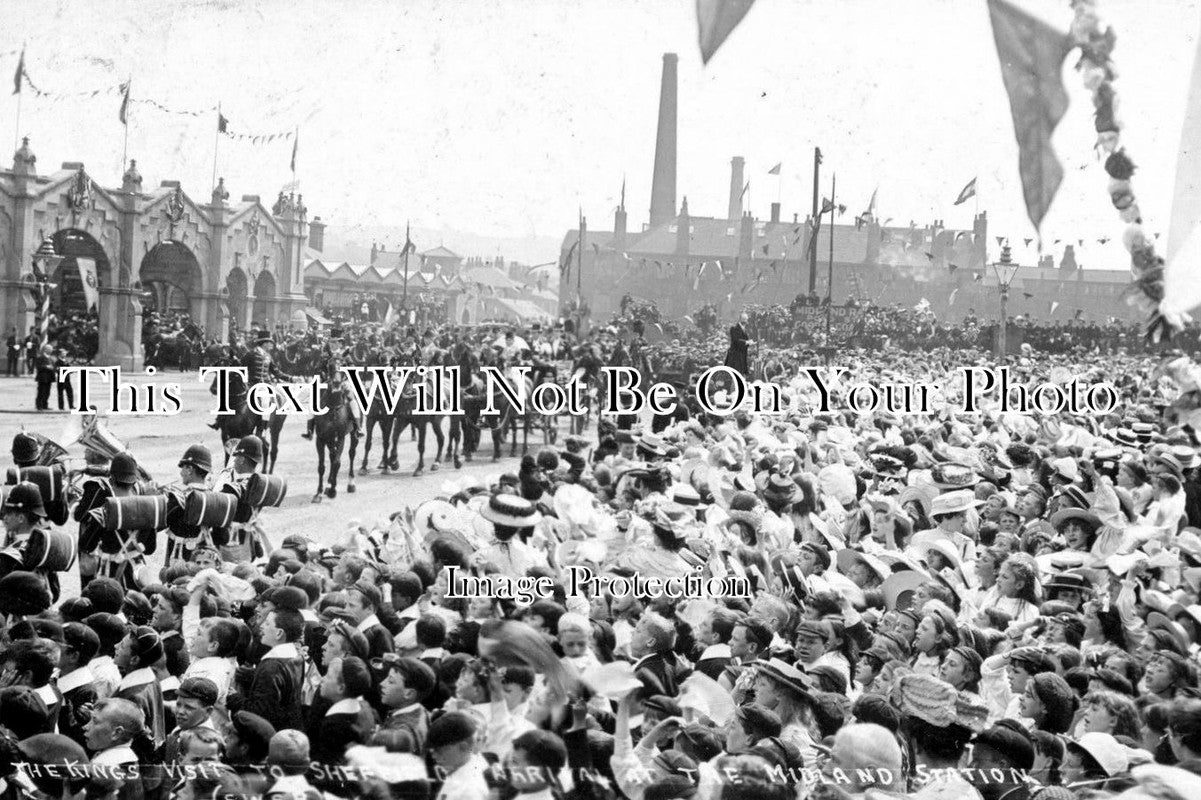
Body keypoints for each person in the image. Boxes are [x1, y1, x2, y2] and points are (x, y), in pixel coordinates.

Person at [723, 312, 751, 378]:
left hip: (742, 356)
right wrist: (746, 342)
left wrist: (749, 342)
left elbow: (745, 341)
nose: (745, 321)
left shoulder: (744, 330)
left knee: (741, 374)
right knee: (734, 375)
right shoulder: (734, 328)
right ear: (740, 319)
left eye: (746, 319)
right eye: (744, 319)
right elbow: (736, 340)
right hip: (735, 357)